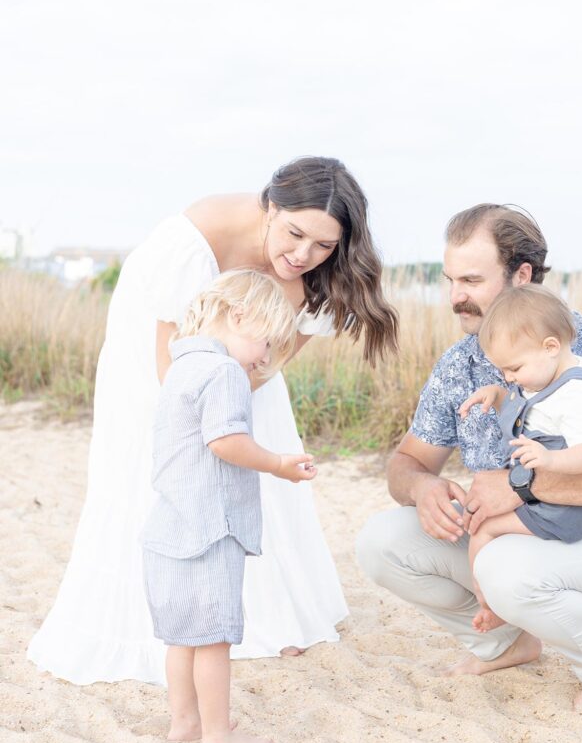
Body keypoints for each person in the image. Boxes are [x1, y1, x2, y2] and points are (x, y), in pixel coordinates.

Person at [28, 156, 399, 685]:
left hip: (245, 364)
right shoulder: (191, 245)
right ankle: (165, 619)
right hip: (163, 356)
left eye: (323, 245)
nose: (303, 255)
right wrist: (212, 419)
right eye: (295, 234)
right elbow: (171, 373)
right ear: (269, 207)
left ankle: (271, 617)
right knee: (163, 467)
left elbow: (271, 365)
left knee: (258, 442)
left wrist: (238, 406)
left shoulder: (314, 273)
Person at [356, 203, 582, 710]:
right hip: (525, 541)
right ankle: (508, 643)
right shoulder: (459, 363)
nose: (454, 296)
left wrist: (519, 486)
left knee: (505, 566)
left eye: (470, 279)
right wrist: (423, 489)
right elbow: (406, 463)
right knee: (381, 541)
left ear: (521, 275)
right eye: (449, 280)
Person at [142, 270, 315, 743]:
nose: (265, 358)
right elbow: (226, 442)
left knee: (184, 638)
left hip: (172, 523)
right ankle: (217, 737)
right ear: (238, 315)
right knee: (214, 637)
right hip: (211, 527)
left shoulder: (181, 367)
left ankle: (185, 721)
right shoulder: (223, 374)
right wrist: (279, 463)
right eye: (265, 342)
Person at [458, 284, 582, 633]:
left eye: (512, 369)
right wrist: (498, 395)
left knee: (484, 531)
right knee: (485, 523)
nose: (508, 377)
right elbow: (533, 409)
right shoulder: (547, 378)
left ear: (550, 347)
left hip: (569, 509)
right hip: (549, 499)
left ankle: (491, 605)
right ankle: (502, 598)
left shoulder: (578, 395)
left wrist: (548, 460)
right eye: (502, 372)